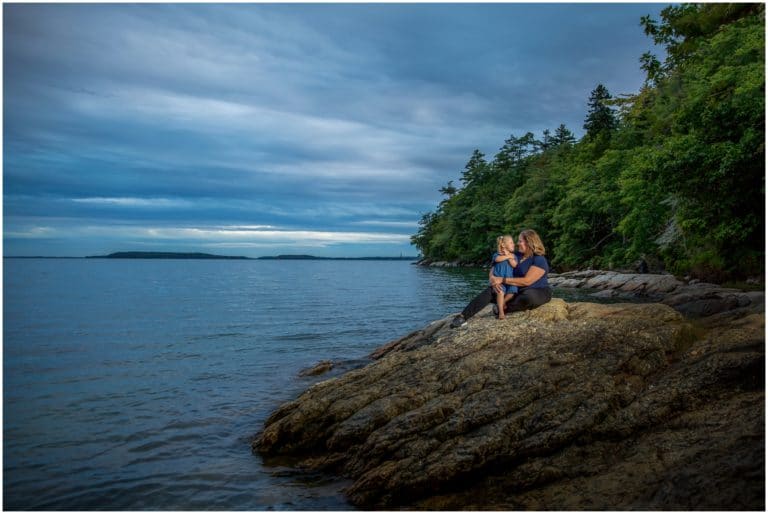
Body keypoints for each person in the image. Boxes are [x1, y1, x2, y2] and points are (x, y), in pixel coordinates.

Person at [451, 229, 552, 328]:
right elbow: (495, 266)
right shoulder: (515, 255)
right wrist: (493, 278)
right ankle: (462, 317)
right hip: (514, 290)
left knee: (529, 296)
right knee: (491, 291)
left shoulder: (539, 259)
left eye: (520, 241)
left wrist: (502, 280)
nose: (517, 243)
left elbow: (527, 281)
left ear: (529, 242)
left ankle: (501, 308)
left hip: (537, 291)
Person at [491, 235, 518, 320]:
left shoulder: (513, 256)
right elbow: (497, 260)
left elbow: (515, 265)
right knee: (500, 292)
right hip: (498, 280)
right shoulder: (497, 254)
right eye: (511, 242)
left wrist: (510, 257)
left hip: (509, 280)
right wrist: (507, 256)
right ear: (503, 245)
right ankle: (501, 312)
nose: (513, 244)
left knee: (512, 292)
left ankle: (503, 302)